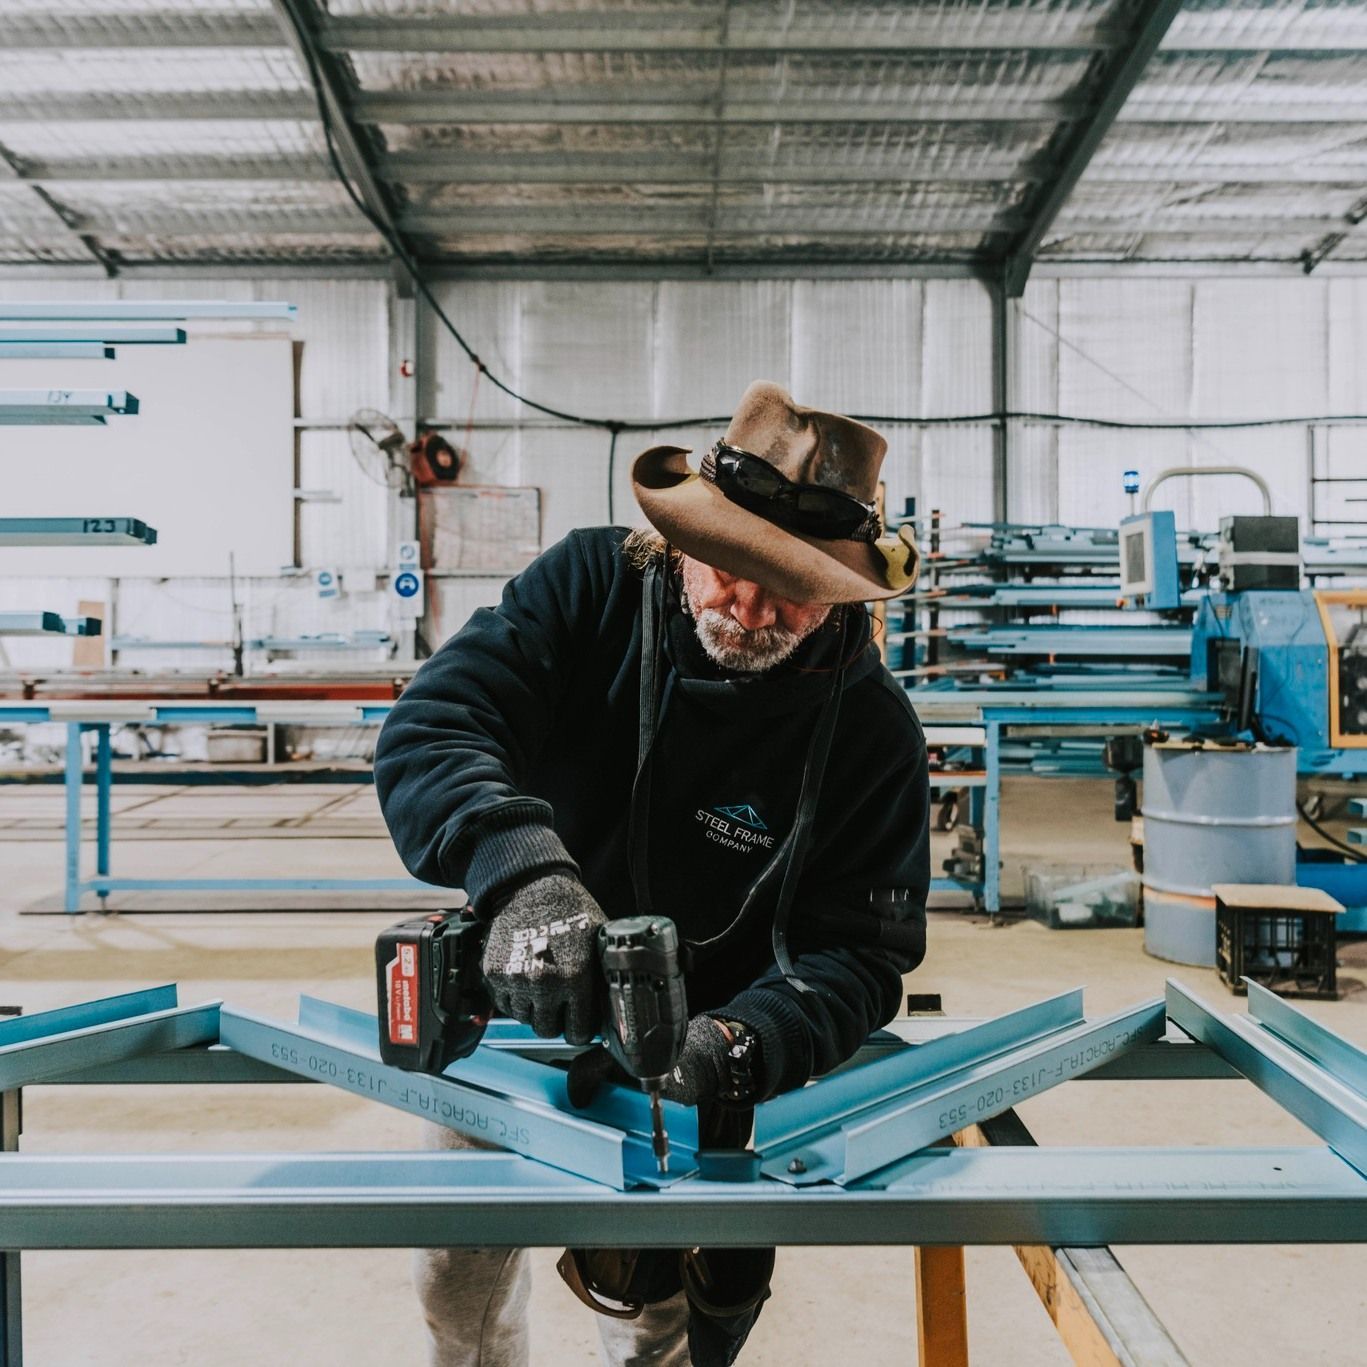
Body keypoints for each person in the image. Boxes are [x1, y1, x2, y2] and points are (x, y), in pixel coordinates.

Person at [374, 380, 931, 1367]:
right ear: (681, 539)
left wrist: (735, 1047)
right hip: (512, 1003)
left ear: (846, 582)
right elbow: (436, 724)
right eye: (723, 564)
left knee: (651, 1325)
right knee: (456, 1289)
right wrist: (522, 873)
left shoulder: (871, 732)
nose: (747, 602)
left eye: (788, 580)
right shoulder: (589, 584)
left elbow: (859, 954)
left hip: (693, 1052)